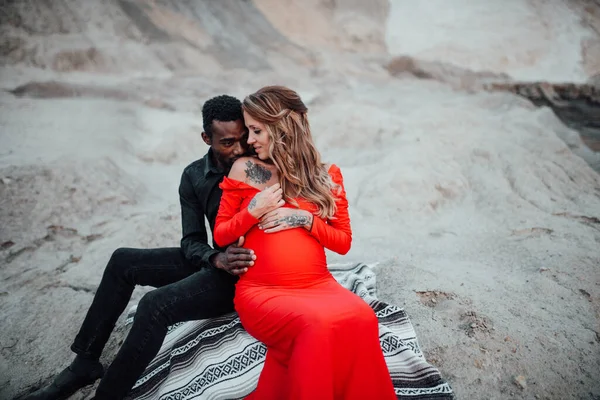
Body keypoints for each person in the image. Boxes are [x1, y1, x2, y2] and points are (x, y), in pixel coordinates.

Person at [25, 95, 257, 400]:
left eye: (243, 139)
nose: (238, 149)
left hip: (245, 274)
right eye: (227, 142)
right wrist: (214, 258)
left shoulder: (258, 166)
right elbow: (191, 241)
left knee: (154, 304)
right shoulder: (192, 176)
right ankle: (84, 363)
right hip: (217, 262)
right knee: (123, 261)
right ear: (206, 138)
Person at [213, 86, 396, 400]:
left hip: (317, 285)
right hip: (263, 291)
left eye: (257, 131)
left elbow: (343, 243)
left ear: (282, 129)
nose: (250, 140)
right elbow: (221, 235)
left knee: (363, 318)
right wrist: (254, 210)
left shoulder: (325, 176)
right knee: (315, 325)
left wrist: (306, 221)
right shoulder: (248, 170)